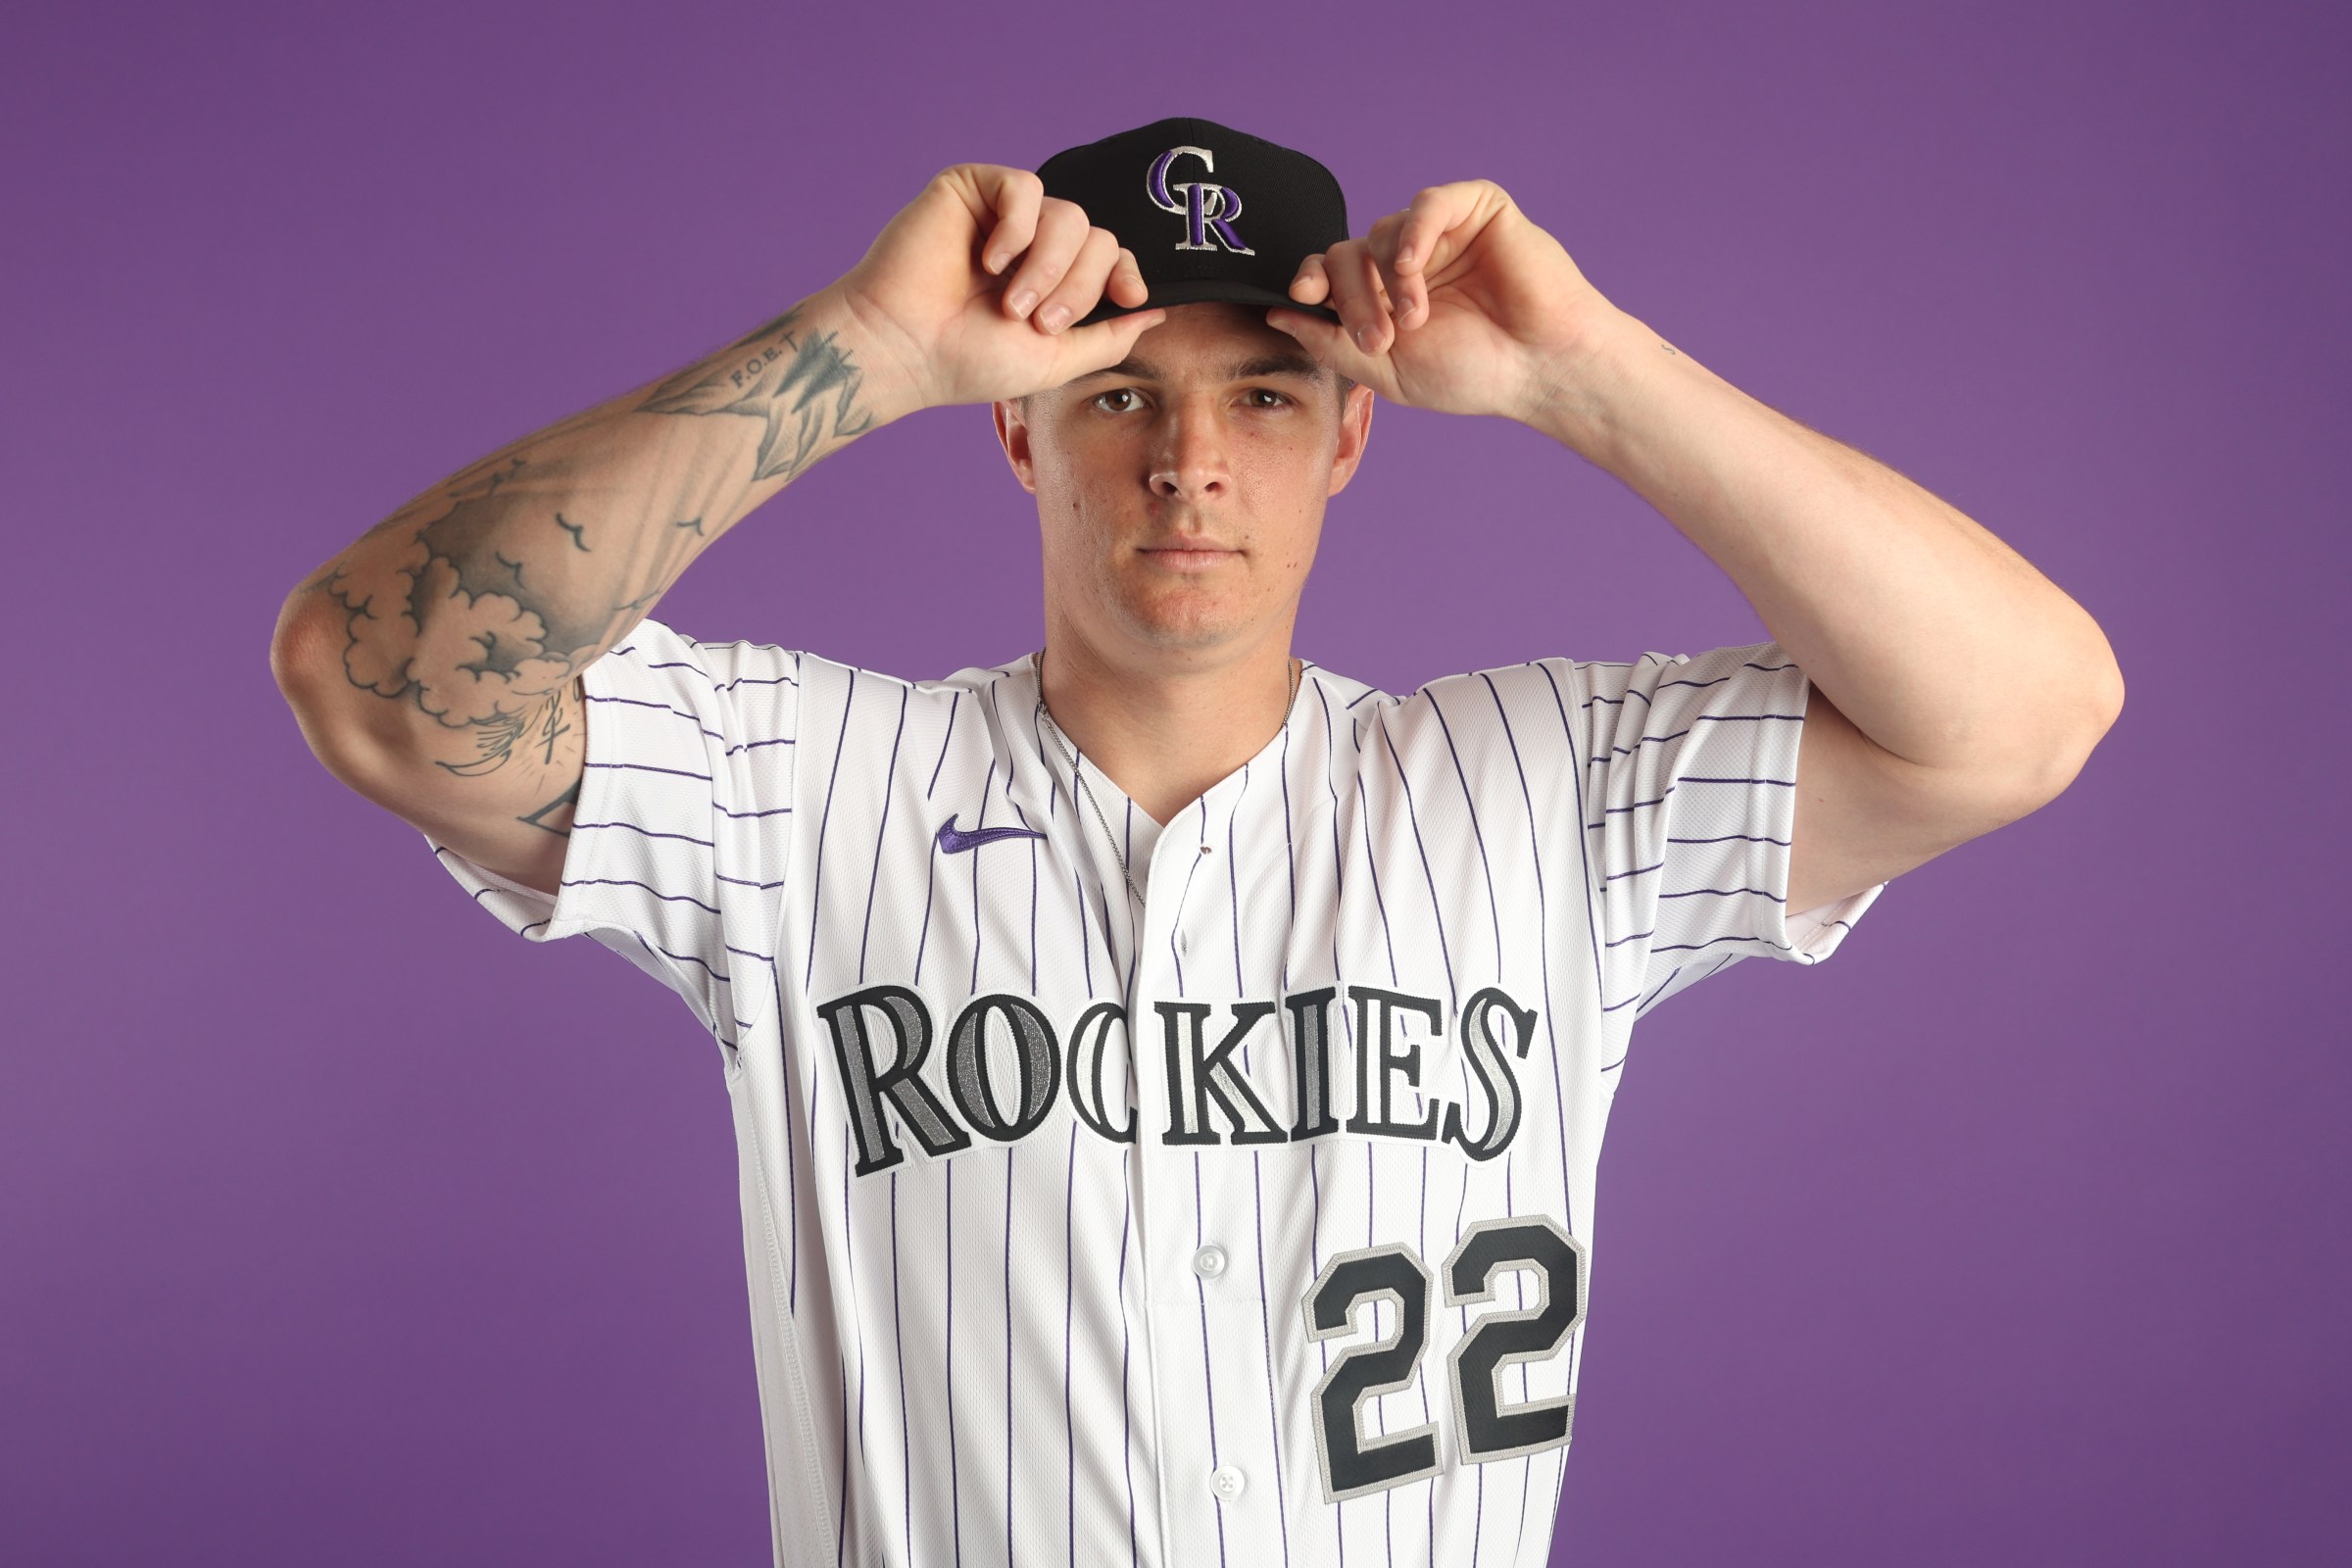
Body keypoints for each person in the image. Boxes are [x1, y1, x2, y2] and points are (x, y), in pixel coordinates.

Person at [270, 117, 2124, 1568]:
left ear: (1350, 437)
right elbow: (375, 677)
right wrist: (869, 344)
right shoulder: (801, 788)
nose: (1189, 459)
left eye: (1262, 393)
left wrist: (1587, 371)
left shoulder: (1550, 791)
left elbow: (2026, 713)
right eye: (1118, 394)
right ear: (1018, 437)